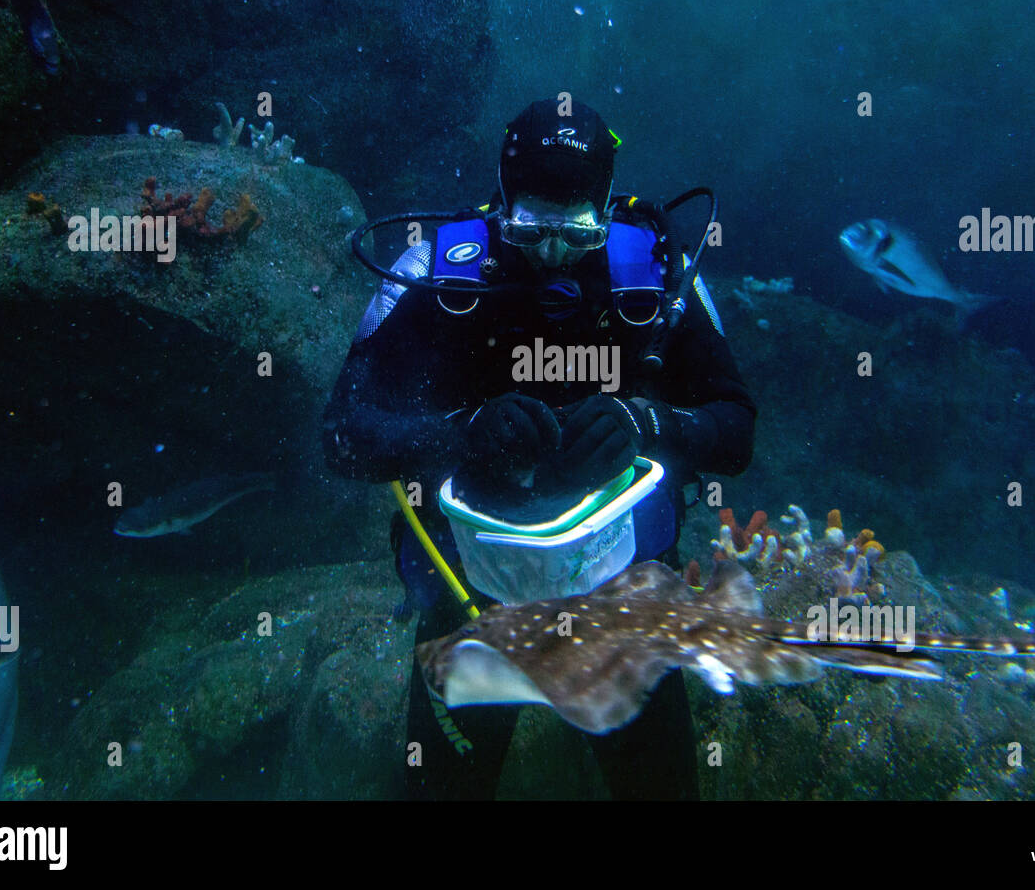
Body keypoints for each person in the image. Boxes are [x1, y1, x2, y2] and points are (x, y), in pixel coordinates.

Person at [322, 98, 756, 799]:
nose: (552, 252)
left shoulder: (653, 272)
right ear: (501, 196)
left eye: (576, 230)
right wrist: (459, 434)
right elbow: (343, 435)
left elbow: (735, 429)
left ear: (607, 207)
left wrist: (645, 422)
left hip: (627, 595)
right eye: (532, 227)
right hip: (469, 588)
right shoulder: (441, 273)